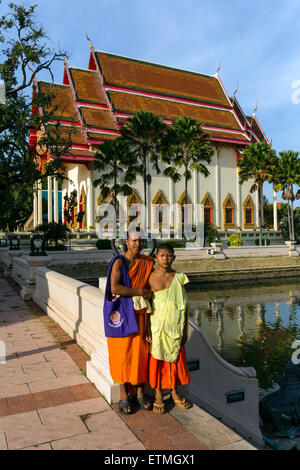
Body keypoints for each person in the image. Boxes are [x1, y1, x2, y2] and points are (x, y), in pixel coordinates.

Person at [107, 227, 154, 415]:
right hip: (122, 316)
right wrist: (140, 291)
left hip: (141, 314)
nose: (138, 244)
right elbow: (114, 288)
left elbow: (153, 284)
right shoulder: (119, 262)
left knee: (140, 355)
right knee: (121, 355)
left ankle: (141, 391)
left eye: (141, 240)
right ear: (126, 242)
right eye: (134, 240)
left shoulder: (147, 262)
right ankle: (123, 393)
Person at [148, 243, 191, 415]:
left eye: (169, 255)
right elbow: (145, 306)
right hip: (156, 328)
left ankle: (174, 391)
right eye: (162, 255)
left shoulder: (180, 278)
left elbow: (185, 307)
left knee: (174, 361)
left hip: (175, 327)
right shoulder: (150, 277)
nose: (165, 259)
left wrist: (185, 330)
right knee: (157, 362)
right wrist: (146, 331)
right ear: (156, 258)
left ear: (174, 257)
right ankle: (158, 394)